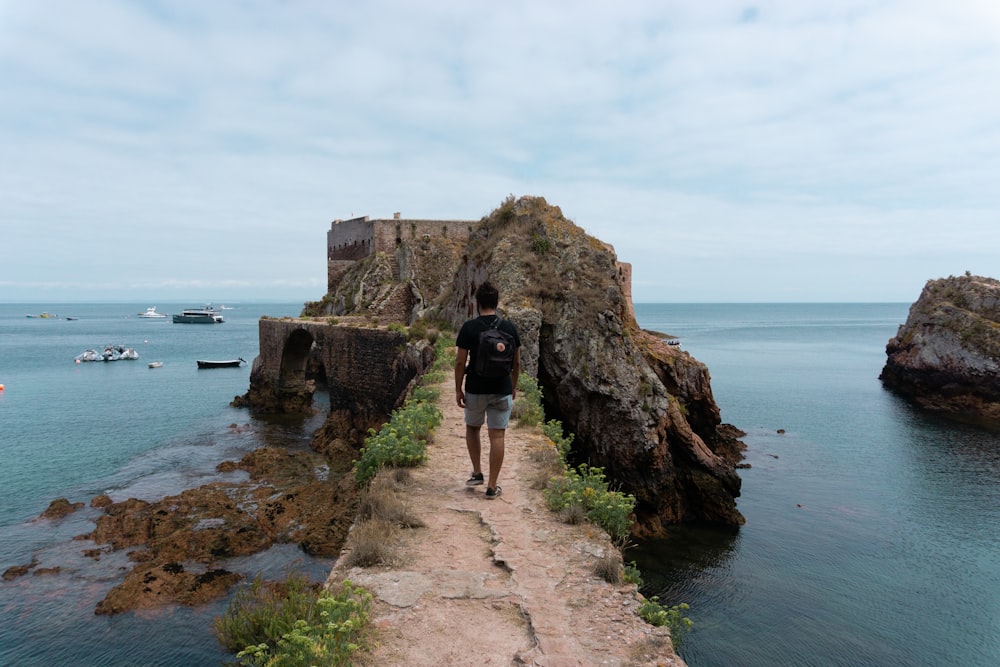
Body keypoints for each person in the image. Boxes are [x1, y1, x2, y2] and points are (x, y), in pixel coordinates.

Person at [455, 281, 521, 499]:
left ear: (477, 302)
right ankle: (492, 486)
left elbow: (459, 362)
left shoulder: (469, 328)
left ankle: (477, 473)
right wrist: (513, 386)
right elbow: (517, 363)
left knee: (473, 428)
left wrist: (458, 389)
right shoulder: (510, 328)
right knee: (497, 436)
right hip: (502, 388)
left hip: (475, 387)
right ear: (497, 302)